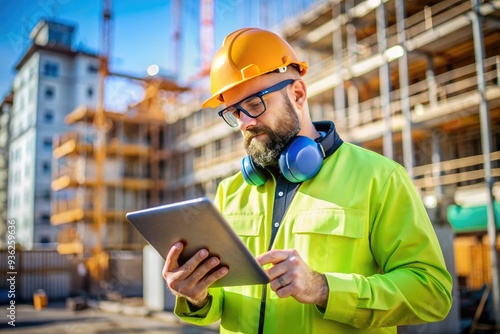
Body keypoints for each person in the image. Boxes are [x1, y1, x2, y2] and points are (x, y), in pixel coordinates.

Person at [162, 27, 453, 333]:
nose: (245, 123)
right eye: (235, 112)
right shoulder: (230, 192)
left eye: (254, 104)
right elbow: (219, 306)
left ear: (298, 94)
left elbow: (431, 293)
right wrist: (196, 296)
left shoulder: (379, 178)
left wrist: (325, 288)